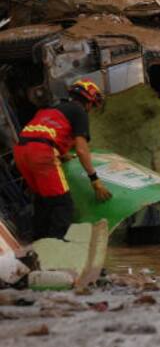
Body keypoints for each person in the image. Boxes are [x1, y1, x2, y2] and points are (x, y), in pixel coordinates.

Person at [13, 80, 112, 241]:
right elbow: (81, 149)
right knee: (63, 205)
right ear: (89, 101)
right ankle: (56, 250)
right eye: (93, 106)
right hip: (42, 153)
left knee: (44, 202)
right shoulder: (79, 112)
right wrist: (94, 179)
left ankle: (38, 247)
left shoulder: (52, 109)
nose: (91, 110)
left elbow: (45, 134)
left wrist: (61, 153)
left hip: (21, 151)